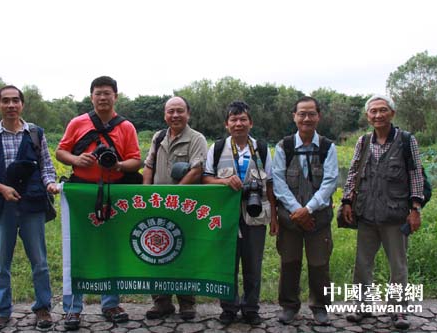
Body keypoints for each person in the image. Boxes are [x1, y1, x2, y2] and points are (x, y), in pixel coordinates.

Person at [56, 76, 141, 330]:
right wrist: (75, 160)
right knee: (77, 248)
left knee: (112, 248)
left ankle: (111, 303)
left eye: (107, 93)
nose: (102, 98)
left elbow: (136, 160)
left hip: (115, 192)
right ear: (91, 96)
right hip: (82, 191)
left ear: (116, 96)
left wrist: (118, 165)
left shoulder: (126, 127)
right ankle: (72, 307)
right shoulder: (77, 122)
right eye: (98, 93)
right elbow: (61, 151)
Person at [0, 85, 59, 331]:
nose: (11, 105)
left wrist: (50, 183)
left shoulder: (35, 134)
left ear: (22, 104)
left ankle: (43, 309)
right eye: (5, 101)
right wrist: (1, 188)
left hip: (32, 205)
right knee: (1, 263)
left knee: (40, 262)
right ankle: (1, 311)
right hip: (3, 207)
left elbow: (46, 166)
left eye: (15, 101)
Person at [341, 95, 423, 330]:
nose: (378, 115)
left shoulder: (407, 141)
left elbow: (416, 175)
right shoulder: (363, 141)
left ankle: (398, 310)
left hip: (396, 215)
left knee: (398, 265)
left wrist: (415, 208)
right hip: (366, 213)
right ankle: (362, 306)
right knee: (362, 264)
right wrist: (347, 201)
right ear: (368, 116)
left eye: (383, 110)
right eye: (373, 111)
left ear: (392, 113)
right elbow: (353, 172)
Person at [202, 101, 277, 326]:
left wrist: (274, 217)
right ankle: (229, 308)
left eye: (243, 119)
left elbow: (271, 185)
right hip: (225, 217)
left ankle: (251, 308)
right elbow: (206, 179)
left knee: (253, 265)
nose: (238, 124)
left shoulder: (262, 149)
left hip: (255, 216)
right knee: (227, 264)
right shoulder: (216, 149)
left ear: (250, 123)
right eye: (233, 120)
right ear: (226, 124)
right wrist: (224, 181)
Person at [272, 96, 338, 326]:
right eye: (302, 113)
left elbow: (330, 182)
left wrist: (308, 210)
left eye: (311, 113)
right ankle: (289, 306)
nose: (306, 118)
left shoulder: (328, 147)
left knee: (319, 263)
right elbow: (277, 182)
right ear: (294, 116)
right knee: (289, 262)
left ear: (318, 116)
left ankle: (320, 307)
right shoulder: (284, 146)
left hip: (318, 219)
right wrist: (297, 211)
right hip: (290, 219)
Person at [142, 96, 207, 320]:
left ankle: (187, 303)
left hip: (184, 208)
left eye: (180, 111)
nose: (175, 115)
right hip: (158, 207)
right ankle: (161, 302)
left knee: (184, 254)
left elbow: (197, 170)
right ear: (165, 115)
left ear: (188, 114)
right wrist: (146, 194)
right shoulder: (158, 137)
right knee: (157, 252)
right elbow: (148, 165)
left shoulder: (197, 138)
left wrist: (175, 195)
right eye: (171, 111)